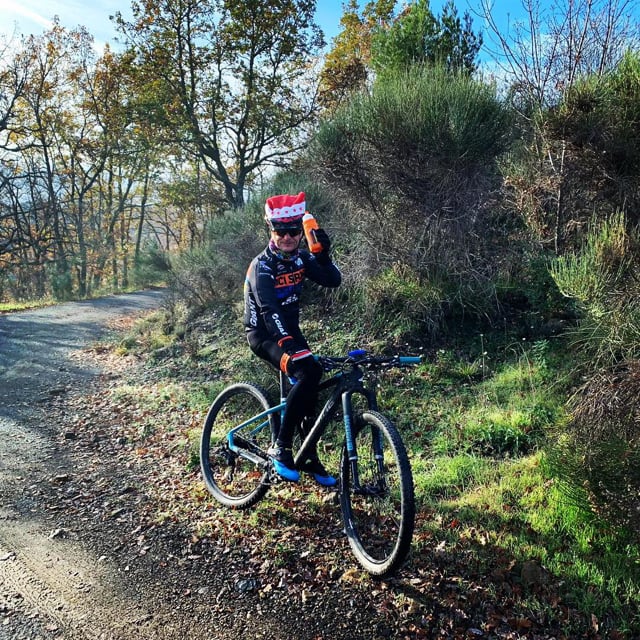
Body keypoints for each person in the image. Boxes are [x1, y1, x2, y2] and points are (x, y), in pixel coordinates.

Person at [243, 191, 341, 486]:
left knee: (310, 384)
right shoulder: (262, 266)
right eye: (280, 230)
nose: (287, 237)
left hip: (289, 331)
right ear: (271, 230)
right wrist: (288, 345)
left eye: (293, 231)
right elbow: (268, 309)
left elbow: (332, 280)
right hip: (263, 334)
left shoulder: (301, 258)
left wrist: (323, 255)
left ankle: (308, 455)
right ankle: (281, 446)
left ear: (301, 231)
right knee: (307, 371)